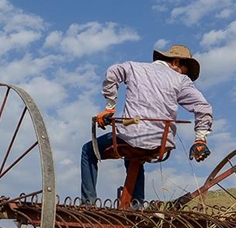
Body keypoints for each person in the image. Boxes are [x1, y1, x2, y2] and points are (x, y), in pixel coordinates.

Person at [80, 44, 213, 206]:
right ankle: (136, 207)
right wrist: (200, 140)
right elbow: (203, 107)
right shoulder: (181, 80)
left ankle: (88, 203)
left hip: (130, 136)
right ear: (175, 62)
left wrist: (110, 107)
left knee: (88, 150)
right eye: (183, 70)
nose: (182, 74)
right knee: (134, 157)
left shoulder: (134, 67)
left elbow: (113, 72)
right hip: (162, 141)